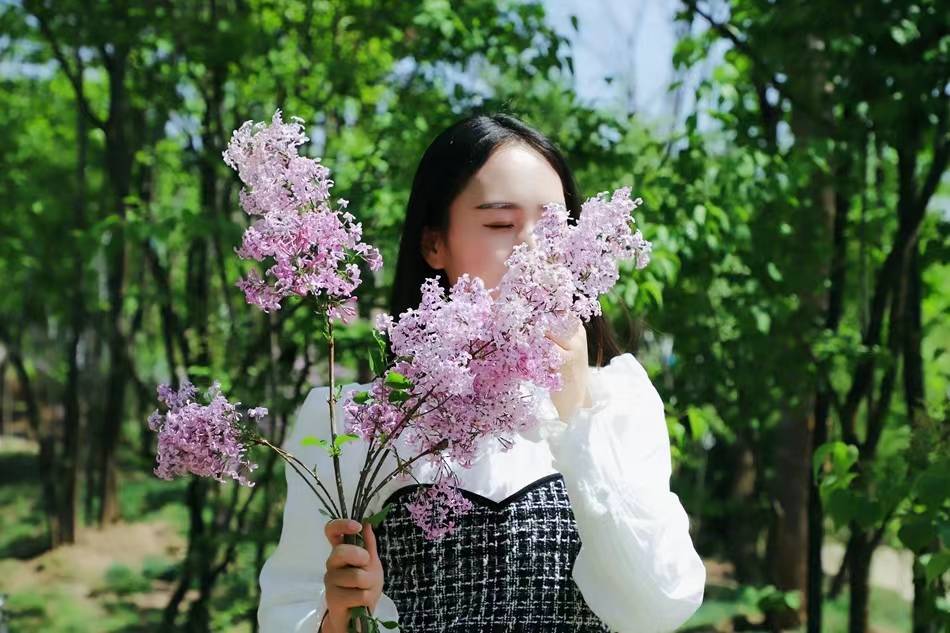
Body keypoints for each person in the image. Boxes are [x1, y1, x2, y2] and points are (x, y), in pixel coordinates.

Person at [257, 113, 706, 632]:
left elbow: (661, 606)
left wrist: (576, 414)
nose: (534, 251)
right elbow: (289, 612)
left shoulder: (615, 405)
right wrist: (342, 614)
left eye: (554, 226)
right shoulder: (354, 421)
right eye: (500, 225)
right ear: (434, 244)